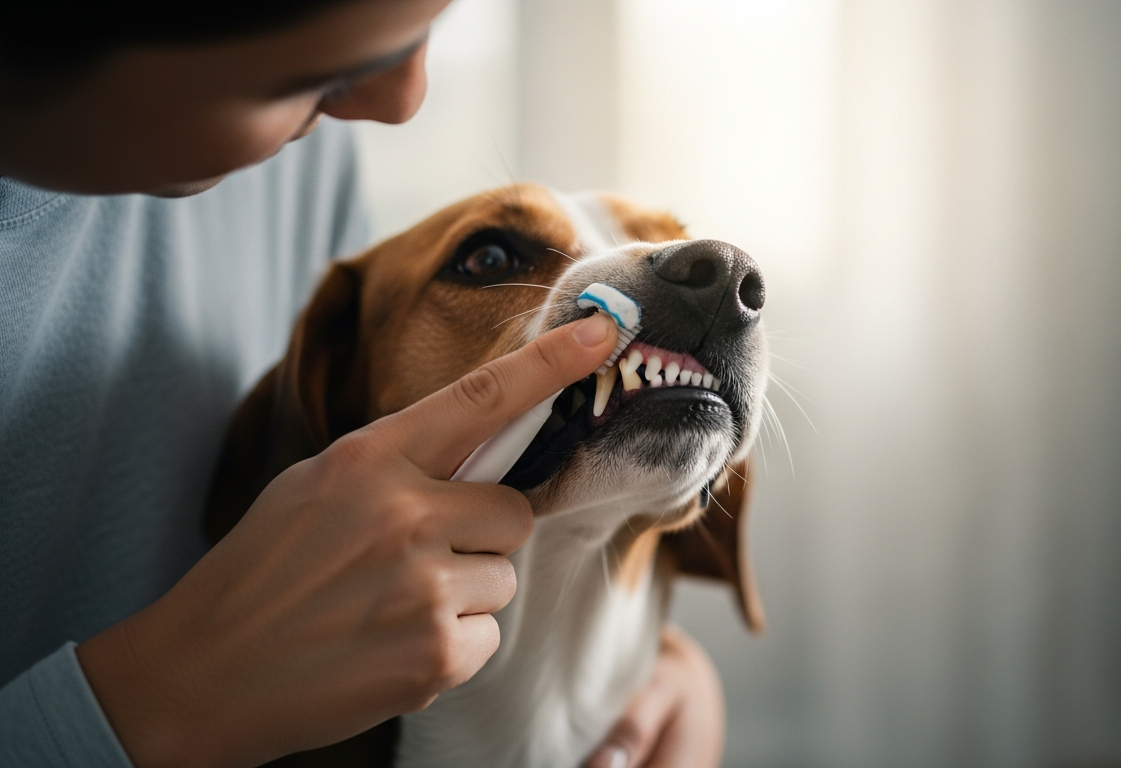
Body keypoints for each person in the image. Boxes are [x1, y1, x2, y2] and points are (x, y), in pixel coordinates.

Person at [0, 1, 724, 766]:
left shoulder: (306, 144)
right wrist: (157, 702)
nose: (404, 98)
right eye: (491, 259)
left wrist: (639, 672)